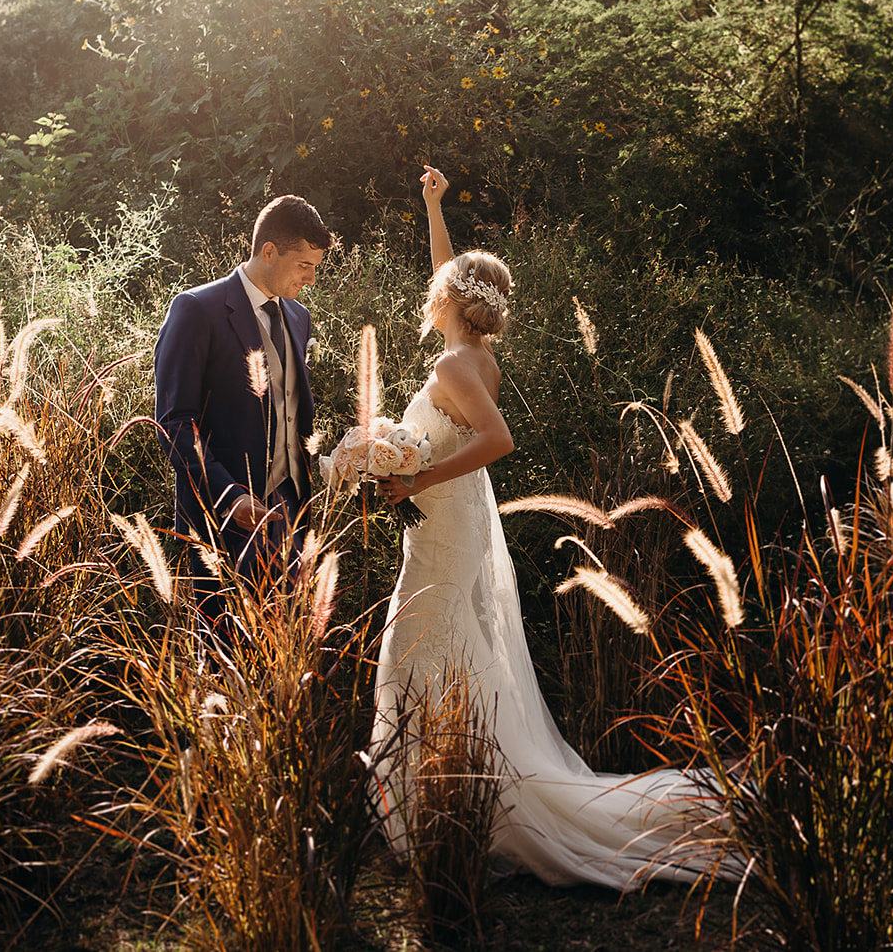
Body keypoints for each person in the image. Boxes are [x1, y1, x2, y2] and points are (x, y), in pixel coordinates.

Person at [371, 167, 731, 889]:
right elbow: (449, 273)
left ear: (451, 301)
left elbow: (498, 440)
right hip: (451, 523)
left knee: (417, 648)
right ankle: (447, 802)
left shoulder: (453, 364)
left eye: (442, 282)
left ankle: (447, 810)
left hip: (445, 522)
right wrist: (432, 206)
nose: (432, 284)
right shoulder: (471, 353)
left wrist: (412, 480)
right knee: (443, 652)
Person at [154, 194, 334, 629]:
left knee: (283, 648)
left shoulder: (298, 316)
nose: (310, 278)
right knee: (224, 652)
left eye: (316, 266)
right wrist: (228, 495)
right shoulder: (197, 309)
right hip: (224, 522)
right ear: (268, 251)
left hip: (290, 515)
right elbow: (175, 422)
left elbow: (288, 411)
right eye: (303, 265)